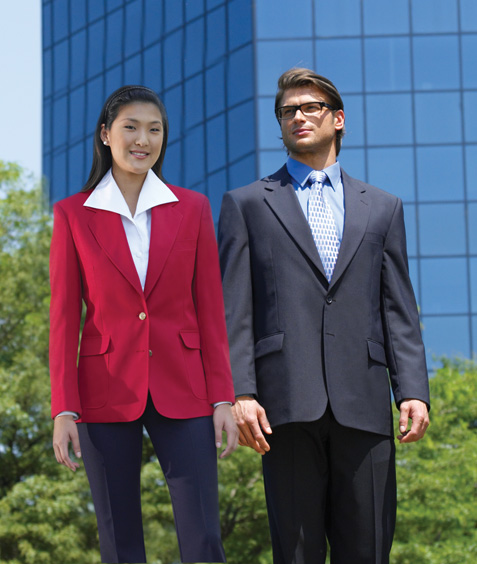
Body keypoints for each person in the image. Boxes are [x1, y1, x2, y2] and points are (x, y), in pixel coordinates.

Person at [218, 68, 430, 564]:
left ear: (338, 120)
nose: (298, 117)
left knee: (369, 549)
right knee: (296, 553)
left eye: (310, 107)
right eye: (288, 111)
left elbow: (398, 306)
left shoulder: (382, 207)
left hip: (366, 398)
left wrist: (414, 389)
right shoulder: (246, 205)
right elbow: (235, 308)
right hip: (284, 405)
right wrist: (240, 393)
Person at [50, 85, 238, 564]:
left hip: (186, 385)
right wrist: (63, 408)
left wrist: (223, 398)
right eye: (130, 127)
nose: (143, 139)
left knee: (203, 539)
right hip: (103, 388)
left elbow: (211, 311)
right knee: (119, 542)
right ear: (105, 135)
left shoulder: (192, 207)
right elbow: (64, 320)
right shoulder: (73, 214)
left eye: (154, 130)